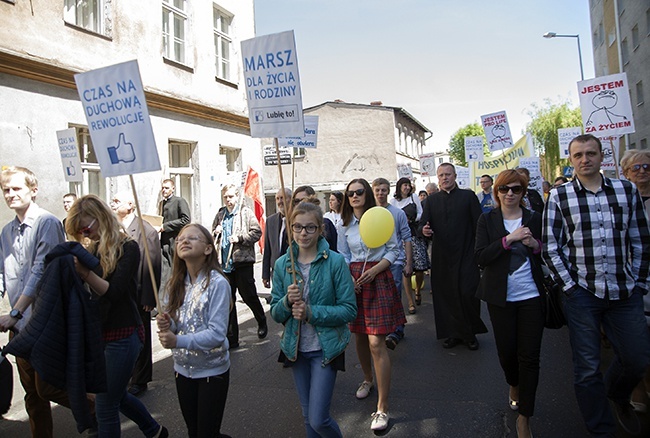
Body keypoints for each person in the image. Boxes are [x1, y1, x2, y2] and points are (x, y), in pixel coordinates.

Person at [543, 134, 650, 436]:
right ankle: (601, 429)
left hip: (625, 291)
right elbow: (552, 246)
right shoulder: (560, 197)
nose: (584, 159)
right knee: (587, 369)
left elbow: (641, 240)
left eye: (591, 153)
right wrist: (570, 287)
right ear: (571, 159)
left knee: (637, 357)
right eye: (578, 155)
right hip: (583, 294)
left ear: (602, 157)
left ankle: (617, 394)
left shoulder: (625, 190)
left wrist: (639, 282)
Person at [0, 166, 94, 436]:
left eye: (17, 188)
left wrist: (15, 313)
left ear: (33, 190)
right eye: (6, 190)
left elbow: (42, 271)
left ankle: (100, 412)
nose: (10, 194)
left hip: (44, 323)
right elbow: (1, 273)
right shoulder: (7, 231)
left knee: (51, 387)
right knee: (33, 395)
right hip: (20, 326)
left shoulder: (47, 222)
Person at [66, 195, 167, 437]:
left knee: (105, 404)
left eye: (86, 226)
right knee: (118, 396)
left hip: (124, 333)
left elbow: (114, 292)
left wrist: (85, 273)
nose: (85, 233)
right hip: (100, 333)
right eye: (80, 231)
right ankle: (154, 430)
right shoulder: (91, 249)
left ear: (99, 217)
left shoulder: (128, 247)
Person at [270, 202, 356, 438]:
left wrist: (311, 313)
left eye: (309, 228)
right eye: (297, 227)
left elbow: (349, 310)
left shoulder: (335, 262)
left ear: (320, 230)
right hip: (296, 348)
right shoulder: (283, 264)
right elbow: (276, 314)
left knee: (319, 419)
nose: (303, 233)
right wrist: (287, 302)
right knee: (308, 418)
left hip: (325, 347)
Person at [475, 169, 545, 438]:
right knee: (507, 352)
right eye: (504, 189)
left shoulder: (534, 218)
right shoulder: (487, 220)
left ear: (523, 193)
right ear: (497, 192)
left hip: (531, 296)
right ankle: (513, 383)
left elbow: (545, 251)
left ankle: (525, 417)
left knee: (530, 357)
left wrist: (534, 244)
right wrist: (508, 240)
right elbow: (481, 257)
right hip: (500, 298)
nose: (510, 194)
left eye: (516, 189)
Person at [337, 178, 404, 431]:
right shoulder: (345, 224)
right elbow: (343, 255)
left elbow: (393, 249)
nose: (354, 196)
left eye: (359, 191)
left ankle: (383, 407)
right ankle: (367, 379)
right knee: (360, 337)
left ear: (367, 193)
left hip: (379, 277)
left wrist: (376, 269)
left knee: (377, 341)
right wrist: (348, 278)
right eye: (350, 193)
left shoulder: (381, 217)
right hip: (354, 281)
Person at [156, 224, 231, 438]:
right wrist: (167, 325)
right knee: (194, 431)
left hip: (212, 370)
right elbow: (174, 326)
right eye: (180, 239)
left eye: (192, 238)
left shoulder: (218, 284)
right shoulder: (176, 283)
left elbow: (217, 334)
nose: (184, 241)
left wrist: (177, 341)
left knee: (207, 433)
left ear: (208, 249)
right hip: (182, 370)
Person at [419, 163, 487, 350]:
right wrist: (424, 230)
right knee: (446, 296)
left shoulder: (468, 196)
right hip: (442, 257)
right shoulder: (431, 201)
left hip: (466, 253)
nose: (444, 178)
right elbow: (422, 225)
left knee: (467, 292)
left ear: (455, 175)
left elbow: (479, 224)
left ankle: (470, 333)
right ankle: (453, 333)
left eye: (448, 174)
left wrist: (480, 251)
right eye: (441, 175)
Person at [111, 191, 162, 397]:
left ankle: (140, 378)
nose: (112, 204)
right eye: (112, 200)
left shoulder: (145, 230)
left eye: (117, 200)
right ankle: (125, 374)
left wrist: (149, 297)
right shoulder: (115, 229)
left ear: (131, 205)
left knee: (141, 337)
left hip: (139, 293)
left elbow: (152, 265)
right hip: (120, 293)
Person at [212, 184, 267, 347]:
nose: (228, 200)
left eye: (231, 197)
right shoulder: (221, 214)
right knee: (228, 300)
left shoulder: (245, 212)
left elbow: (256, 232)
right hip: (225, 263)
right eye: (225, 197)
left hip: (242, 261)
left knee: (248, 295)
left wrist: (240, 238)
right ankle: (232, 338)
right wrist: (216, 230)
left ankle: (261, 319)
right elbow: (213, 233)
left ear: (237, 196)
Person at [619, 149, 650, 414]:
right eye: (636, 168)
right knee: (635, 342)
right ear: (625, 173)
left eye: (647, 167)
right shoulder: (620, 199)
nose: (642, 172)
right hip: (630, 278)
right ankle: (637, 387)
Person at [372, 177, 413, 351]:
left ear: (388, 191)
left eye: (383, 190)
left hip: (395, 262)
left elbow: (407, 238)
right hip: (374, 262)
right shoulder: (369, 213)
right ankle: (382, 328)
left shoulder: (398, 213)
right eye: (377, 190)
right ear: (373, 191)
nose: (380, 193)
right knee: (377, 298)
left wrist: (408, 262)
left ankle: (396, 330)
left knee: (394, 295)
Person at [389, 177, 429, 311]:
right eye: (404, 185)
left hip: (414, 235)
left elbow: (420, 214)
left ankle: (417, 289)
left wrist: (410, 218)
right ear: (399, 187)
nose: (406, 187)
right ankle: (410, 302)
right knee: (405, 269)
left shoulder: (414, 198)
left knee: (419, 268)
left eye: (408, 185)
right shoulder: (393, 202)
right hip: (399, 237)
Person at [158, 178, 191, 286]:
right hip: (164, 242)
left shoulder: (179, 201)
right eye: (163, 188)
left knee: (178, 270)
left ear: (173, 189)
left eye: (167, 188)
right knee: (165, 273)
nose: (164, 190)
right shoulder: (162, 203)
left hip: (176, 241)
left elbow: (186, 220)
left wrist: (165, 226)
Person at [262, 188, 292, 290]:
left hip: (293, 270)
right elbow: (267, 249)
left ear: (291, 199)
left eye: (283, 198)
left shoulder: (297, 220)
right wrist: (265, 274)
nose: (280, 201)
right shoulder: (271, 221)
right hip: (276, 272)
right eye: (277, 198)